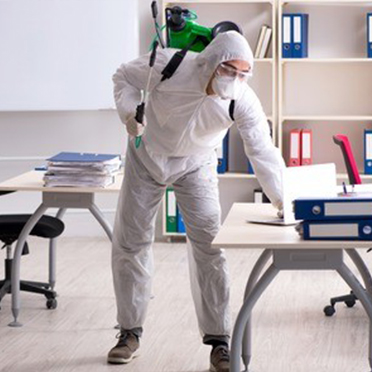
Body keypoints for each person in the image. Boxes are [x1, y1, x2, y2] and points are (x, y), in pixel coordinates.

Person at [108, 31, 285, 372]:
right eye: (229, 70)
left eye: (243, 74)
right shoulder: (169, 64)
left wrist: (282, 200)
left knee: (209, 247)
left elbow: (261, 149)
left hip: (196, 163)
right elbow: (122, 77)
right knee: (131, 243)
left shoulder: (242, 100)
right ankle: (128, 333)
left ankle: (219, 341)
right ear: (210, 62)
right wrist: (130, 115)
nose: (235, 79)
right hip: (147, 156)